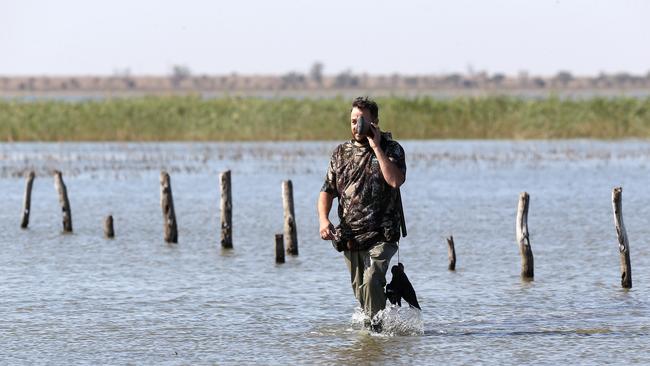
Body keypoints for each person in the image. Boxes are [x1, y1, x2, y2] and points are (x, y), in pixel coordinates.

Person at [317, 96, 407, 330]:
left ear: (375, 121)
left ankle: (376, 336)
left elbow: (395, 181)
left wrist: (376, 146)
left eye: (362, 120)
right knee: (362, 293)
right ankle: (382, 328)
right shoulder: (340, 153)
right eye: (353, 120)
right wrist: (324, 220)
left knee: (371, 281)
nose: (356, 125)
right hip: (351, 236)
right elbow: (326, 191)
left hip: (382, 234)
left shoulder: (392, 148)